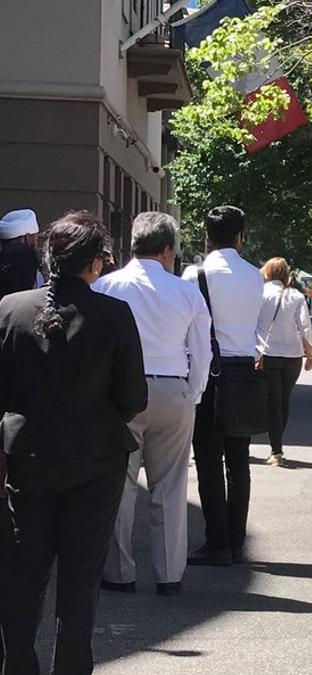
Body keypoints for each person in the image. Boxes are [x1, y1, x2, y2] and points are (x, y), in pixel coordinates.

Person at [0, 212, 147, 673]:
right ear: (94, 264)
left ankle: (19, 664)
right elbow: (133, 397)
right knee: (80, 583)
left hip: (27, 457)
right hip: (96, 458)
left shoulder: (9, 310)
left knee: (22, 576)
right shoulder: (114, 315)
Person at [92, 212, 212, 598]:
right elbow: (202, 351)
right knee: (171, 486)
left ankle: (119, 572)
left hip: (120, 396)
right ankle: (169, 575)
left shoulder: (107, 285)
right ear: (166, 251)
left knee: (119, 484)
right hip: (173, 388)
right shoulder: (186, 292)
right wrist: (191, 392)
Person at [182, 205, 265, 566]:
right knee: (239, 461)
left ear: (207, 236)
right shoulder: (255, 276)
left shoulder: (193, 275)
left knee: (208, 461)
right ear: (240, 236)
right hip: (244, 371)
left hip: (208, 372)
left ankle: (215, 541)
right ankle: (236, 540)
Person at [257, 257, 312, 468]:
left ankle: (276, 449)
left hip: (267, 355)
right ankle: (277, 446)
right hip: (292, 357)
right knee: (283, 400)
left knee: (271, 401)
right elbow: (305, 327)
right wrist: (310, 355)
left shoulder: (259, 294)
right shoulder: (296, 296)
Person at [0, 208, 41, 301]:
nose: (37, 242)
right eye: (35, 236)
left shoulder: (3, 256)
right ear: (27, 237)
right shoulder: (26, 257)